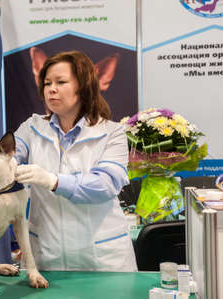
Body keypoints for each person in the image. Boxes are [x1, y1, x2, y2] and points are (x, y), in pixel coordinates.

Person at [14, 50, 138, 271]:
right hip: (47, 257)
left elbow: (105, 185)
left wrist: (53, 181)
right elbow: (7, 154)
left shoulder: (112, 133)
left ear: (83, 86)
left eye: (61, 82)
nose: (51, 89)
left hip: (101, 260)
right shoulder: (32, 128)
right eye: (47, 83)